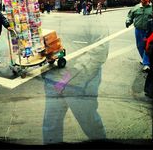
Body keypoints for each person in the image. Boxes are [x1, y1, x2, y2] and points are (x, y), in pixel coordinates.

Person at [41, 15, 109, 144]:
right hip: (54, 79)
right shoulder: (51, 16)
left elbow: (99, 52)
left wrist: (67, 77)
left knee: (89, 123)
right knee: (51, 125)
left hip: (80, 82)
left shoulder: (93, 20)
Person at [125, 0, 153, 72]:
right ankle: (144, 59)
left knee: (147, 46)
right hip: (138, 30)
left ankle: (146, 63)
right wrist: (128, 22)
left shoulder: (152, 8)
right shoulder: (136, 7)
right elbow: (130, 16)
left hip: (149, 31)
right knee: (139, 46)